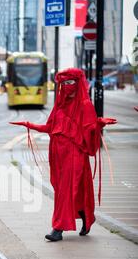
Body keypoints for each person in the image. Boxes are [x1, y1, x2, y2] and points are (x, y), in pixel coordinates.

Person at [10, 68, 117, 242]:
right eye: (64, 83)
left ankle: (58, 228)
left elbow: (90, 131)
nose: (66, 86)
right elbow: (50, 128)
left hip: (75, 155)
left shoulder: (85, 105)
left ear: (78, 83)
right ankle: (86, 216)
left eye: (70, 83)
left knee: (66, 190)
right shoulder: (59, 106)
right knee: (63, 190)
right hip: (57, 155)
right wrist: (29, 124)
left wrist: (99, 124)